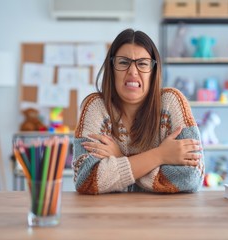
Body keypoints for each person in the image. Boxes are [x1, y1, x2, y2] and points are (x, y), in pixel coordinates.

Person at [73, 28, 204, 194]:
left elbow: (191, 177)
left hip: (164, 216)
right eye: (123, 62)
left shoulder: (171, 102)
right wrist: (160, 155)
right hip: (108, 216)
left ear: (153, 70)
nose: (133, 72)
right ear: (111, 68)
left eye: (142, 63)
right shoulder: (95, 106)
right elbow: (87, 180)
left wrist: (120, 158)